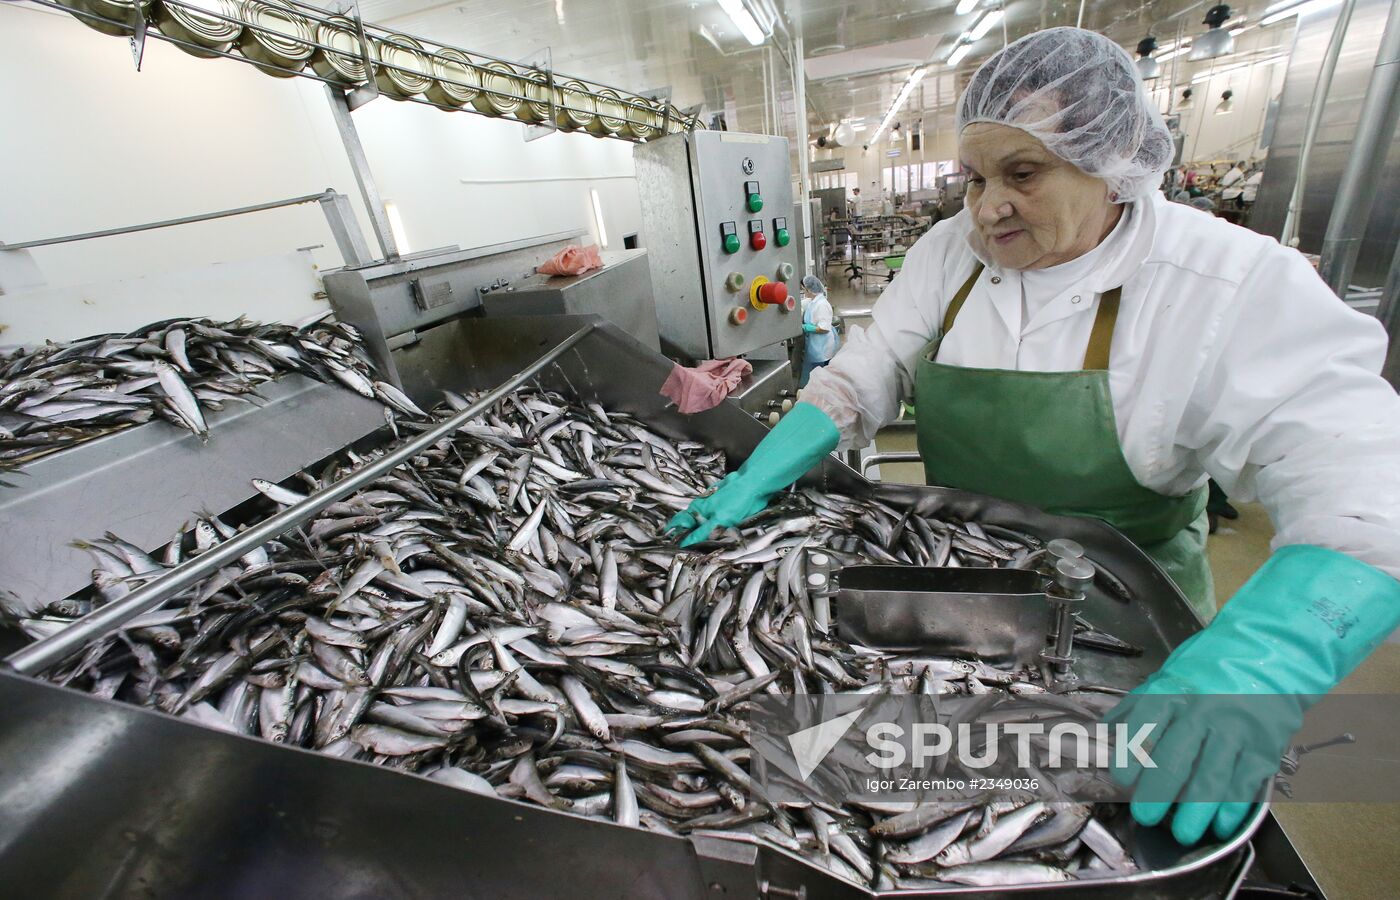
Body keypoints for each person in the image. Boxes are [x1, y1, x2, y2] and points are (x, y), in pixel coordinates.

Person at [669, 28, 1400, 848]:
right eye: (975, 177)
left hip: (1126, 629)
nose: (987, 207)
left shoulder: (1230, 284)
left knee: (1101, 828)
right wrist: (764, 466)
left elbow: (1365, 486)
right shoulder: (952, 254)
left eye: (1023, 173)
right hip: (954, 599)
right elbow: (861, 374)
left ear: (1114, 156)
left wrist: (1263, 664)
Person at [798, 275, 839, 387]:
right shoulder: (814, 301)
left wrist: (806, 327)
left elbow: (824, 329)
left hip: (822, 346)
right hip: (816, 343)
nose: (803, 291)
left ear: (810, 289)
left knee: (822, 374)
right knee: (817, 373)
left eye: (804, 289)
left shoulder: (822, 305)